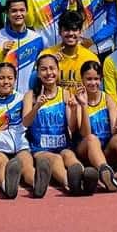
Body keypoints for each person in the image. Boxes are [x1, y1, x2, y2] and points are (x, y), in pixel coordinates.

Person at [0, 62, 46, 198]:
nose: (6, 82)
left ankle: (37, 184)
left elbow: (27, 121)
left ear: (15, 79)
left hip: (21, 145)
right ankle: (7, 186)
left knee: (27, 166)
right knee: (2, 166)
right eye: (1, 78)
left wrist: (37, 105)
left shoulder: (21, 98)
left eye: (10, 78)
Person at [23, 54, 89, 195]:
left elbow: (72, 128)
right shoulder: (30, 95)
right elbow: (25, 122)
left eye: (52, 69)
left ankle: (84, 178)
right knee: (56, 159)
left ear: (58, 71)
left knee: (69, 156)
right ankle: (71, 184)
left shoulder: (65, 94)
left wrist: (72, 109)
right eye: (44, 69)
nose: (49, 73)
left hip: (63, 145)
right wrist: (37, 106)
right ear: (38, 73)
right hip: (40, 149)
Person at [72, 60, 117, 192]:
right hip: (85, 150)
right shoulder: (77, 100)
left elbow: (114, 133)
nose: (93, 83)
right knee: (92, 138)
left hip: (105, 150)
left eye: (96, 79)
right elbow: (84, 134)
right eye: (89, 79)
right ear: (82, 79)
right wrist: (84, 105)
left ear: (101, 79)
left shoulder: (107, 99)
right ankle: (105, 173)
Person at [0, 0, 45, 92]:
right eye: (14, 11)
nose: (18, 14)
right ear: (7, 13)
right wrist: (3, 54)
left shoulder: (37, 38)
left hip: (28, 98)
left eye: (22, 10)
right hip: (5, 99)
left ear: (26, 11)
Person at [36, 10, 98, 91]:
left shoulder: (91, 58)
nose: (71, 33)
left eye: (74, 30)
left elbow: (95, 91)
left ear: (80, 32)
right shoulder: (46, 55)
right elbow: (36, 86)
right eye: (66, 30)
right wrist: (51, 64)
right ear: (59, 31)